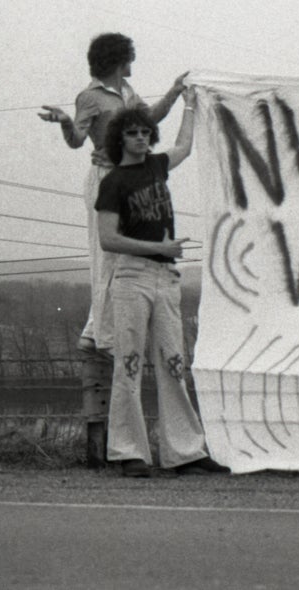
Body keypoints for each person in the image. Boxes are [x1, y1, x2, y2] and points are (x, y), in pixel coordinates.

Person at [95, 95, 226, 477]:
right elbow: (108, 239)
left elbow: (183, 147)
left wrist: (188, 105)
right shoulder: (113, 183)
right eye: (132, 133)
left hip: (166, 278)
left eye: (144, 132)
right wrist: (158, 247)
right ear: (120, 138)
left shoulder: (156, 166)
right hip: (133, 276)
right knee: (130, 364)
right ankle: (127, 451)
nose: (139, 137)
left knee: (173, 363)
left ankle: (184, 451)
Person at [38, 33, 187, 353]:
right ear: (119, 61)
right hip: (104, 177)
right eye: (129, 58)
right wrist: (65, 121)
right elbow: (77, 139)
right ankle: (101, 336)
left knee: (123, 257)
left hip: (128, 176)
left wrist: (174, 92)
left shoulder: (128, 92)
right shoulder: (90, 97)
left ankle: (96, 332)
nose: (132, 63)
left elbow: (149, 119)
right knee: (104, 257)